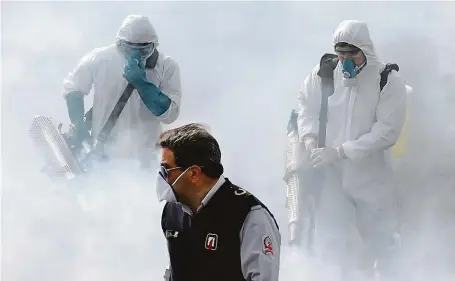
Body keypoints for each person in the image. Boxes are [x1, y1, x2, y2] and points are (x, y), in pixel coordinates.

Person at [296, 20, 407, 280]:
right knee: (330, 242)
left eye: (352, 53)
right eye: (341, 53)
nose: (345, 60)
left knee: (380, 240)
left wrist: (342, 151)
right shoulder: (323, 73)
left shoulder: (386, 80)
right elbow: (305, 105)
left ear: (365, 50)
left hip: (370, 176)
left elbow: (387, 132)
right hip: (330, 174)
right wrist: (310, 138)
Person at [156, 123, 281, 281]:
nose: (162, 178)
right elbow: (173, 270)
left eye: (166, 170)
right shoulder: (172, 212)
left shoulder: (249, 215)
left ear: (194, 173)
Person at [62, 14, 182, 168]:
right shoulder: (100, 59)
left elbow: (170, 114)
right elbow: (73, 87)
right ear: (118, 44)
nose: (135, 55)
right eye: (128, 49)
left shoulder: (166, 66)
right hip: (103, 152)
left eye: (143, 50)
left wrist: (142, 83)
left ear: (154, 46)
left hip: (145, 156)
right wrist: (79, 125)